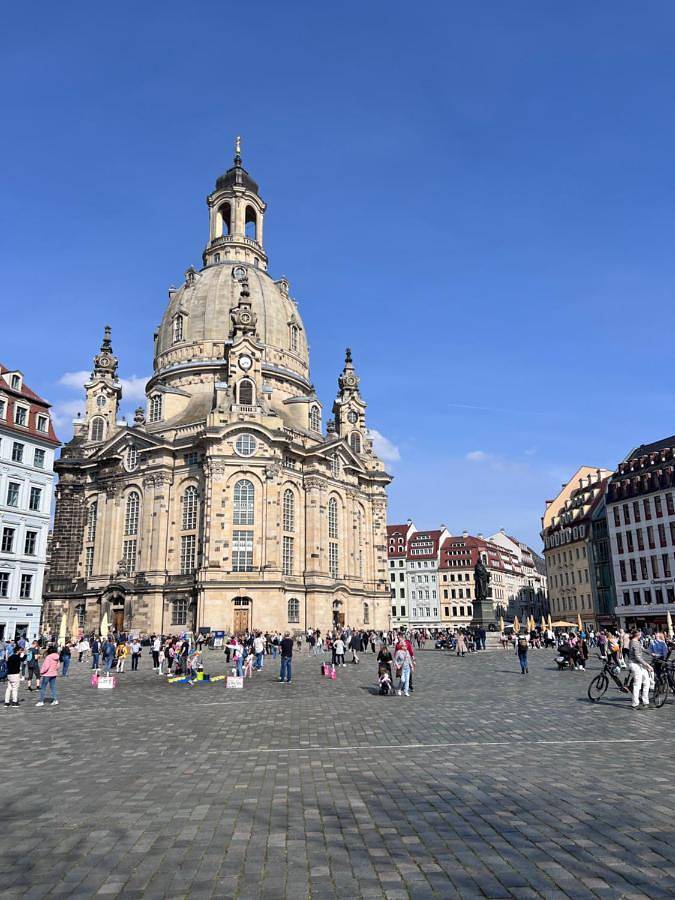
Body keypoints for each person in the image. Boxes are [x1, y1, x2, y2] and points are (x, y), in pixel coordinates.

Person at [628, 629, 652, 709]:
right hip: (635, 664)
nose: (641, 635)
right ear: (638, 635)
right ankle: (635, 704)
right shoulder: (634, 642)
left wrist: (651, 653)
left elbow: (642, 649)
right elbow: (637, 657)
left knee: (646, 681)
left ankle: (646, 701)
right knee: (637, 684)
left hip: (638, 664)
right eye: (640, 634)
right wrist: (647, 665)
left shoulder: (634, 641)